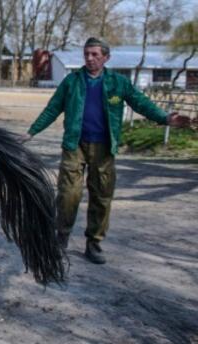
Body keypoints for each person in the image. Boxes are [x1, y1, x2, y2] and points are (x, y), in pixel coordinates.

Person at [27, 37, 191, 264]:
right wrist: (31, 132)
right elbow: (52, 109)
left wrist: (164, 118)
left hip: (105, 148)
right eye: (87, 54)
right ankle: (61, 238)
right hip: (75, 145)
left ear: (106, 57)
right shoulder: (72, 81)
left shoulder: (117, 83)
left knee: (102, 196)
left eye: (95, 54)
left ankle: (93, 243)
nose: (90, 58)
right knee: (68, 194)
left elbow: (141, 102)